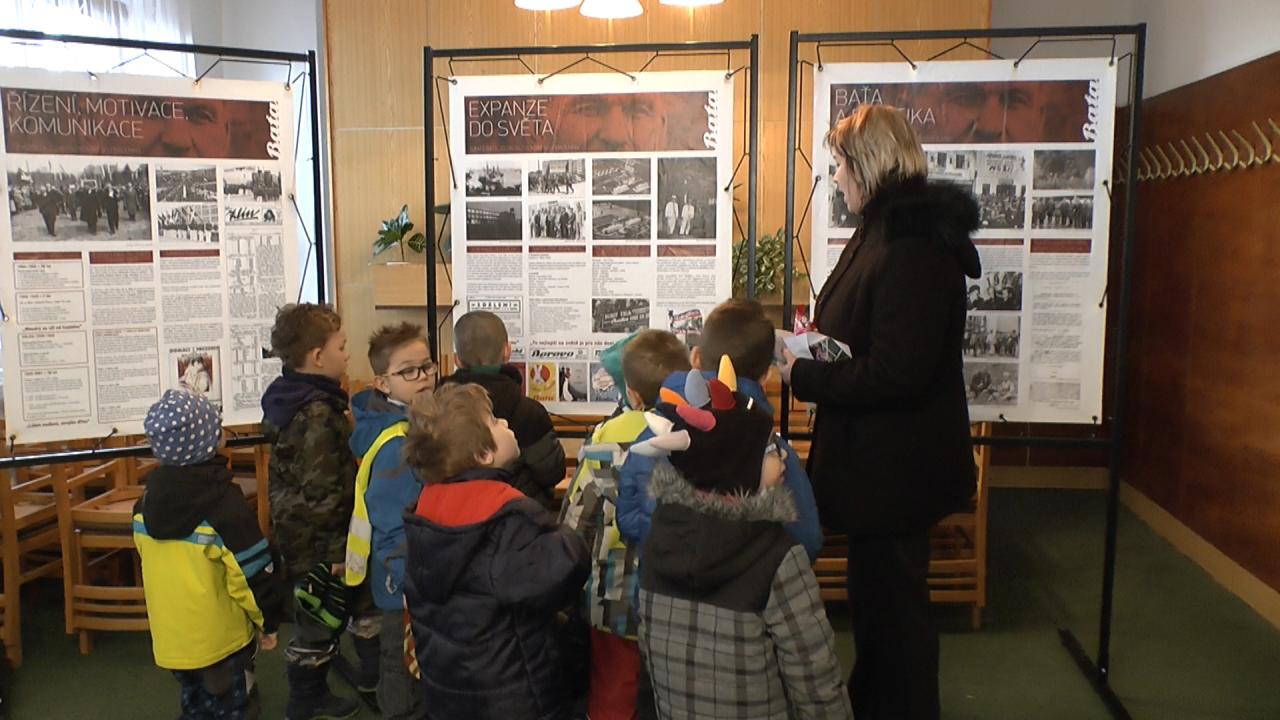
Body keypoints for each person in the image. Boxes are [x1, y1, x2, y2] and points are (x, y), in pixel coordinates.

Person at [779, 104, 981, 720]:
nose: (836, 176)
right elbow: (867, 335)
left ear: (868, 164)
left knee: (896, 614)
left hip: (898, 470)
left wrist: (805, 374)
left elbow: (898, 371)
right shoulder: (884, 229)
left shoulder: (912, 246)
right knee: (877, 607)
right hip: (878, 466)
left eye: (840, 164)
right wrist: (815, 345)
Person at [632, 362, 852, 719]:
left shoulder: (659, 539)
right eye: (769, 450)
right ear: (739, 467)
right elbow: (816, 680)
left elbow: (649, 658)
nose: (782, 456)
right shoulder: (779, 557)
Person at [400, 382, 590, 719]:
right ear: (484, 455)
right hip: (514, 696)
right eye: (494, 421)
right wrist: (565, 534)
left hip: (450, 690)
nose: (504, 422)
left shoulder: (425, 514)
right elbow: (564, 570)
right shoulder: (504, 520)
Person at [617, 301, 823, 563]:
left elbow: (628, 519)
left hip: (663, 582)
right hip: (748, 585)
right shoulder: (774, 452)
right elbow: (807, 540)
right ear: (765, 377)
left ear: (695, 358)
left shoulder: (653, 435)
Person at [559, 330, 691, 720]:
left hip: (613, 596)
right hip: (680, 594)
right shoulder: (698, 435)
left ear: (631, 394)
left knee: (612, 692)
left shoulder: (605, 441)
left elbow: (576, 522)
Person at [134, 389, 288, 719]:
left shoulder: (143, 505)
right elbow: (251, 572)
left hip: (173, 641)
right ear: (208, 442)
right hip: (221, 643)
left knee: (194, 704)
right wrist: (268, 620)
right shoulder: (224, 505)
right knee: (233, 706)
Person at [259, 303, 361, 720]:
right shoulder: (316, 413)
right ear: (318, 356)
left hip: (299, 533)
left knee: (315, 615)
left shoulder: (292, 397)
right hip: (317, 541)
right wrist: (335, 552)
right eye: (342, 347)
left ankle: (311, 691)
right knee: (318, 621)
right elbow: (323, 491)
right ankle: (306, 700)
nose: (347, 355)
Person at [346, 323, 436, 719]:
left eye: (427, 366)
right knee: (400, 671)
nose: (424, 377)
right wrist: (406, 585)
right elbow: (395, 525)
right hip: (400, 582)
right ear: (383, 383)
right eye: (409, 371)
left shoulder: (413, 423)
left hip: (410, 575)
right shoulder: (396, 443)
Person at [439, 311, 565, 511]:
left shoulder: (438, 409)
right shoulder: (529, 412)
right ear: (507, 351)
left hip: (451, 513)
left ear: (457, 360)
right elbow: (552, 472)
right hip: (519, 513)